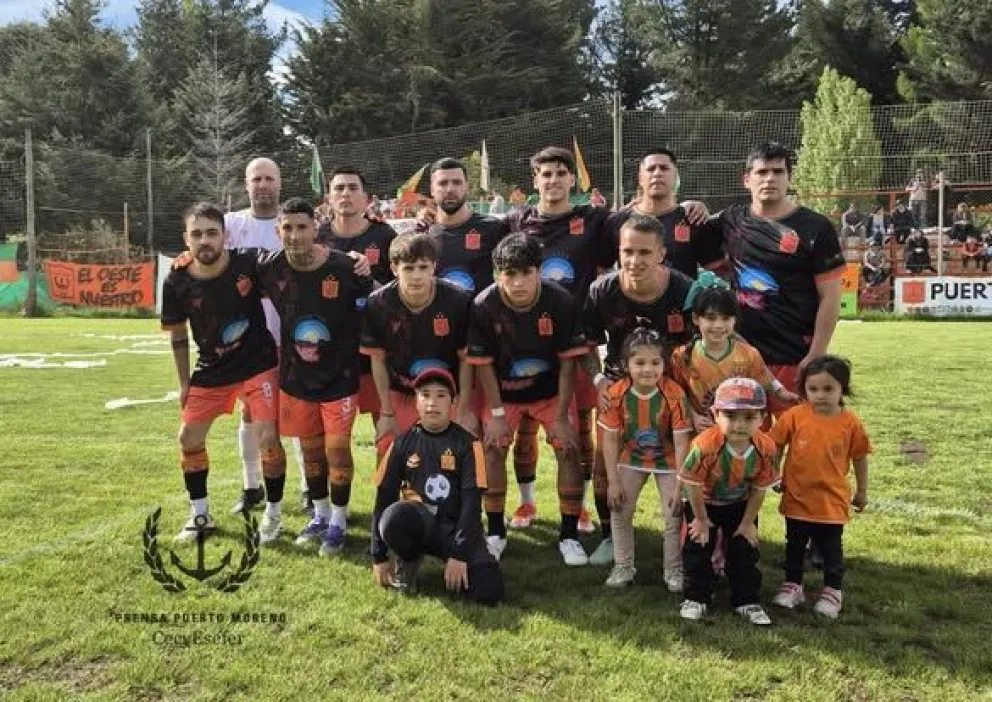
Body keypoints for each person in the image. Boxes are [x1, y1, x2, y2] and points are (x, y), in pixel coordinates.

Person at [161, 202, 285, 543]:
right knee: (188, 438)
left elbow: (294, 262)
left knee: (268, 438)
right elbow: (177, 334)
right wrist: (184, 382)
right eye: (197, 234)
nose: (205, 241)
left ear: (225, 236)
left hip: (257, 362)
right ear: (186, 238)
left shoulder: (249, 262)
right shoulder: (176, 279)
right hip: (211, 367)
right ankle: (200, 514)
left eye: (212, 233)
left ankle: (274, 514)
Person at [255, 198, 373, 556]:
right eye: (287, 228)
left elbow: (379, 303)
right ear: (278, 232)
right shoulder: (270, 267)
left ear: (316, 228)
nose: (294, 235)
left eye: (301, 227)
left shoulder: (346, 268)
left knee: (337, 451)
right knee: (311, 454)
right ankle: (320, 515)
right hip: (296, 378)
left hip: (339, 376)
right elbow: (228, 267)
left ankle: (338, 521)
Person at [505, 146, 614, 535]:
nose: (552, 180)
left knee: (580, 427)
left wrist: (691, 207)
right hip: (524, 343)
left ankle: (581, 507)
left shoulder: (595, 219)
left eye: (560, 173)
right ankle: (526, 500)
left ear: (573, 179)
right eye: (545, 174)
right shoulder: (515, 220)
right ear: (535, 180)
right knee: (524, 428)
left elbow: (646, 219)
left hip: (576, 340)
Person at [466, 233, 589, 565]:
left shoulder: (561, 302)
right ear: (497, 274)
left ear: (540, 271)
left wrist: (562, 416)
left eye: (526, 273)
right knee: (492, 447)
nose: (518, 283)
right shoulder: (484, 305)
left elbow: (568, 363)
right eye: (509, 274)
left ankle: (569, 536)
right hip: (503, 392)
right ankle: (495, 532)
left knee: (569, 448)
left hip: (551, 391)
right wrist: (494, 413)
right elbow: (484, 365)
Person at [696, 142, 846, 416]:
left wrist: (816, 353)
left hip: (795, 354)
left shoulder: (815, 227)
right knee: (747, 443)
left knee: (801, 441)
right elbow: (702, 245)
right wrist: (690, 204)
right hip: (742, 354)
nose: (769, 179)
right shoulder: (731, 220)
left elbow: (831, 296)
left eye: (778, 172)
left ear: (790, 178)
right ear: (746, 179)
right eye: (762, 172)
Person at [580, 213, 695, 565]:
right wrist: (600, 380)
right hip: (621, 392)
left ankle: (690, 542)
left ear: (661, 253)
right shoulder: (602, 290)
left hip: (672, 394)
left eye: (645, 252)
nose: (634, 260)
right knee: (606, 467)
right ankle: (609, 537)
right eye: (628, 251)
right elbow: (586, 344)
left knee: (684, 469)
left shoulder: (685, 290)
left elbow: (701, 346)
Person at [371, 368, 503, 604]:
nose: (433, 402)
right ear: (417, 403)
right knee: (396, 515)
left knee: (488, 592)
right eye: (425, 395)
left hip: (455, 529)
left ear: (453, 402)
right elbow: (383, 499)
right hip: (418, 524)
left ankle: (457, 560)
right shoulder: (402, 444)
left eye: (441, 395)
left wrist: (459, 555)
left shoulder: (469, 445)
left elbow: (472, 507)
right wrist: (378, 555)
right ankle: (407, 560)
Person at [769, 356, 871, 619]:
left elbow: (860, 457)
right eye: (813, 390)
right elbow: (776, 444)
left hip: (831, 500)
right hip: (797, 497)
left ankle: (832, 591)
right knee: (794, 545)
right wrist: (774, 473)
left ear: (842, 389)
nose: (820, 395)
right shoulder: (794, 416)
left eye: (828, 389)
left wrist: (862, 491)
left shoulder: (851, 423)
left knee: (830, 549)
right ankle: (793, 585)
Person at [677, 377, 779, 625]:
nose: (739, 424)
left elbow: (758, 488)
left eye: (748, 417)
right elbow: (692, 483)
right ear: (715, 415)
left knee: (745, 548)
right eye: (731, 416)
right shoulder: (704, 445)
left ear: (762, 418)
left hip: (740, 502)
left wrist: (747, 522)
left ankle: (746, 600)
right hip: (705, 501)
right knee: (699, 546)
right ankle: (697, 597)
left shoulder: (766, 447)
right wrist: (700, 519)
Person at [360, 231, 476, 447]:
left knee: (456, 452)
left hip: (446, 390)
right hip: (401, 389)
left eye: (423, 267)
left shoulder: (458, 300)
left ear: (434, 266)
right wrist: (386, 412)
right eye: (408, 268)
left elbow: (466, 358)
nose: (416, 276)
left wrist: (463, 409)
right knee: (388, 447)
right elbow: (377, 360)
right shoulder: (378, 303)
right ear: (394, 269)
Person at [599, 328, 693, 591]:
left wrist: (679, 486)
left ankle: (673, 570)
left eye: (655, 362)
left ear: (664, 364)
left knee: (673, 513)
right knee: (619, 508)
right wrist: (613, 481)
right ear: (626, 364)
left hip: (669, 460)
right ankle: (623, 566)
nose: (647, 369)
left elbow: (682, 441)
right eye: (639, 363)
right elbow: (609, 439)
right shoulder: (617, 393)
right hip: (632, 457)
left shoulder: (674, 394)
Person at [223, 157, 287, 515]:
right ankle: (251, 487)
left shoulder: (293, 223)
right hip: (248, 340)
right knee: (250, 414)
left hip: (294, 336)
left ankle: (310, 489)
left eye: (269, 178)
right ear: (246, 184)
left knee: (298, 412)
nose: (263, 185)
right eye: (256, 179)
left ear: (280, 183)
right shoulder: (231, 224)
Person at [670, 274, 800, 433]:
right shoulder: (682, 357)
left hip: (743, 435)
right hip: (705, 434)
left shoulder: (748, 354)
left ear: (735, 320)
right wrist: (693, 416)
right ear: (696, 318)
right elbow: (678, 394)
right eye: (711, 318)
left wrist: (780, 392)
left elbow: (762, 389)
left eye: (725, 318)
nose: (718, 325)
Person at [320, 167, 398, 423]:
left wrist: (369, 279)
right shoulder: (317, 236)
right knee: (334, 438)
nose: (346, 194)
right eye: (339, 188)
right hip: (331, 349)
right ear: (329, 197)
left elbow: (400, 293)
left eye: (353, 188)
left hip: (376, 346)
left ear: (366, 199)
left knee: (385, 424)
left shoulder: (385, 235)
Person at [602, 149, 712, 280]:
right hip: (631, 299)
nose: (657, 173)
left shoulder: (693, 218)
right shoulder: (618, 222)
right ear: (640, 178)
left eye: (664, 168)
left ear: (676, 177)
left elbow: (718, 268)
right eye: (651, 169)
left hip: (681, 300)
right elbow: (601, 268)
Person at [428, 157, 509, 296]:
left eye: (457, 182)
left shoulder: (494, 228)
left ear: (467, 187)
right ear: (432, 190)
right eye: (442, 183)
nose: (450, 189)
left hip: (481, 316)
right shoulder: (422, 233)